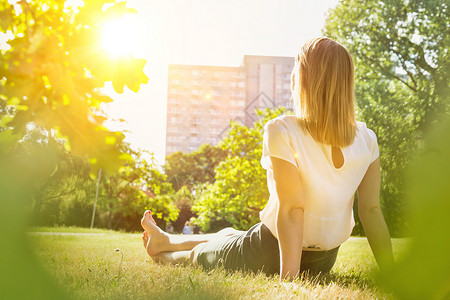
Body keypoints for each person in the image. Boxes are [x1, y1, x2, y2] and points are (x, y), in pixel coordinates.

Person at [141, 37, 394, 281]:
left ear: (303, 80)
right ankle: (165, 240)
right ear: (346, 83)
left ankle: (163, 251)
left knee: (198, 256)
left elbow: (294, 208)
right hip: (324, 260)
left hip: (266, 251)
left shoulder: (282, 129)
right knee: (229, 234)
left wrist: (289, 281)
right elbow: (371, 210)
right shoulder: (367, 139)